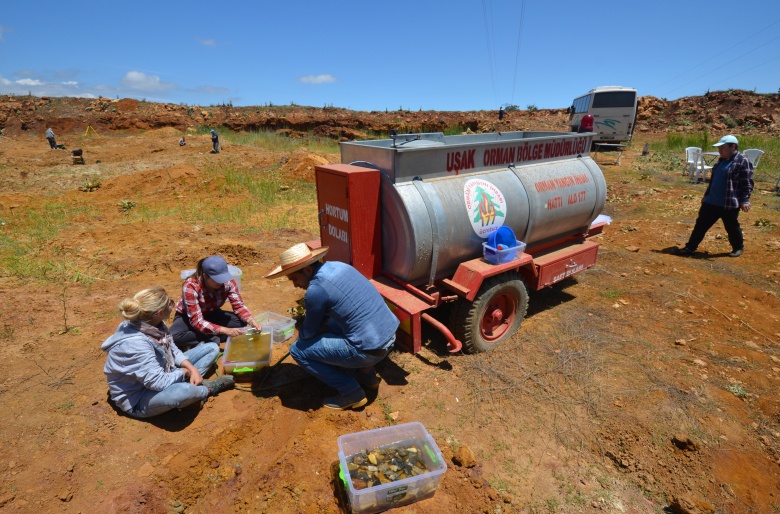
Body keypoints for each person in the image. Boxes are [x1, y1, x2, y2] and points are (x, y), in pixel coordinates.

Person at [264, 243, 399, 410]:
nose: (295, 285)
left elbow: (308, 333)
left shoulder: (316, 290)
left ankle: (351, 392)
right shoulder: (340, 266)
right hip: (389, 337)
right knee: (336, 322)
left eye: (294, 279)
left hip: (368, 350)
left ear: (306, 270)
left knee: (298, 350)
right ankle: (367, 376)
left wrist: (305, 333)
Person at [101, 286, 234, 419]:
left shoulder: (153, 323)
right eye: (169, 303)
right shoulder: (136, 344)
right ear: (159, 312)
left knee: (211, 348)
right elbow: (157, 383)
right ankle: (206, 390)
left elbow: (172, 349)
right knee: (181, 392)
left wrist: (192, 368)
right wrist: (185, 372)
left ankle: (192, 389)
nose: (172, 304)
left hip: (164, 370)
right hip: (140, 397)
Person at [673, 134, 754, 258]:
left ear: (733, 147)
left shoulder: (743, 162)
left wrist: (745, 200)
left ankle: (738, 247)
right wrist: (706, 195)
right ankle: (690, 248)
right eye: (719, 148)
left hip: (728, 203)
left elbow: (747, 183)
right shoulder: (721, 161)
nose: (719, 150)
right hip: (711, 201)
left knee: (731, 226)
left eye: (723, 147)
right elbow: (714, 181)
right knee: (701, 225)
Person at [170, 255, 261, 348]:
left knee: (240, 322)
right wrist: (225, 330)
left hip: (211, 313)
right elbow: (196, 321)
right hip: (188, 316)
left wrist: (251, 320)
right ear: (205, 276)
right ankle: (213, 338)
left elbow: (238, 306)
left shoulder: (228, 282)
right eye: (217, 279)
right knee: (174, 336)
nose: (221, 282)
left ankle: (205, 337)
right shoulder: (190, 286)